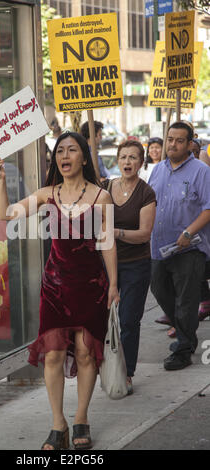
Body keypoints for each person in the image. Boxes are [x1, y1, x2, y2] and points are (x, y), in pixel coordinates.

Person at [0, 131, 120, 450]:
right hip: (55, 287)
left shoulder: (101, 197)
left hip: (92, 287)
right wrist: (0, 180)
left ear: (84, 157)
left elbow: (107, 243)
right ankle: (58, 423)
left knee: (87, 352)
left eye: (72, 150)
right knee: (53, 354)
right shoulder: (48, 194)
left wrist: (114, 284)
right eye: (60, 150)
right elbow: (8, 215)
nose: (64, 155)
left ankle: (81, 418)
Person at [149, 121, 210, 371]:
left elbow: (208, 208)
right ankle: (187, 334)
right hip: (158, 247)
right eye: (170, 139)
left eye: (179, 140)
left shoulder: (200, 171)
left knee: (186, 300)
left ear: (189, 144)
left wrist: (188, 232)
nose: (172, 144)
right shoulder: (157, 170)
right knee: (159, 289)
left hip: (189, 248)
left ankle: (183, 349)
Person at [105, 140, 156, 394]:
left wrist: (116, 232)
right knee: (104, 318)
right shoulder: (105, 187)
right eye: (123, 157)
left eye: (133, 157)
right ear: (117, 160)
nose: (127, 162)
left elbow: (145, 234)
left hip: (136, 265)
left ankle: (127, 372)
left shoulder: (146, 193)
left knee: (128, 320)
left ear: (141, 162)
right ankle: (104, 366)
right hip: (107, 263)